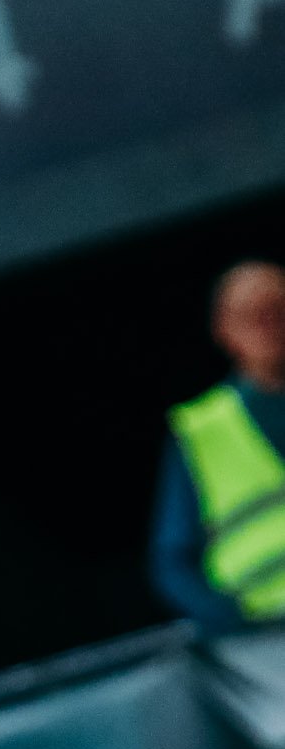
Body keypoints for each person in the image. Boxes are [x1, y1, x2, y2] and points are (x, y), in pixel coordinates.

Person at [152, 260, 285, 630]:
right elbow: (173, 561)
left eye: (277, 311)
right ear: (224, 329)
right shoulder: (202, 431)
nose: (269, 327)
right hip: (268, 638)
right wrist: (235, 626)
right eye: (252, 316)